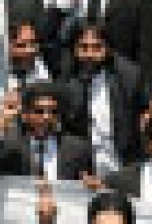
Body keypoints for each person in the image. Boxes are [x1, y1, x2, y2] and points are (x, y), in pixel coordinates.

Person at [58, 21, 140, 176]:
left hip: (121, 164)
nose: (90, 54)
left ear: (107, 49)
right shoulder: (67, 83)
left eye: (97, 47)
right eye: (84, 48)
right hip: (84, 170)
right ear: (75, 50)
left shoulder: (127, 79)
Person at [0, 81, 94, 182]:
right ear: (25, 114)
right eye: (39, 111)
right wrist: (0, 126)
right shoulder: (10, 145)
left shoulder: (77, 149)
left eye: (53, 112)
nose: (46, 117)